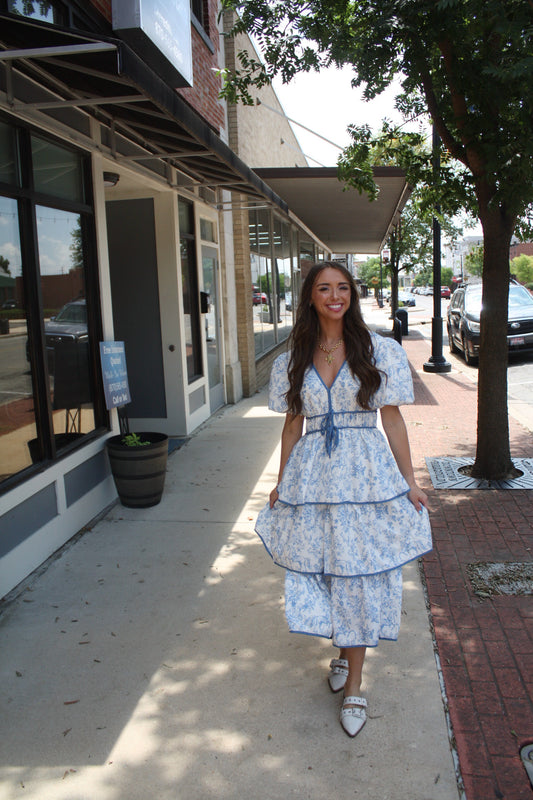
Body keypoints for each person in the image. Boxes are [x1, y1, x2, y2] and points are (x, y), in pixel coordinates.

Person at [255, 262, 432, 738]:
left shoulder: (378, 349)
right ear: (310, 297)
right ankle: (343, 649)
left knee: (357, 575)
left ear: (351, 294)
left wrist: (409, 480)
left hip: (365, 478)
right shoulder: (295, 355)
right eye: (323, 289)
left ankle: (355, 681)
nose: (335, 296)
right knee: (327, 569)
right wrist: (282, 480)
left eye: (342, 288)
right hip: (314, 480)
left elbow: (391, 420)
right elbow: (292, 424)